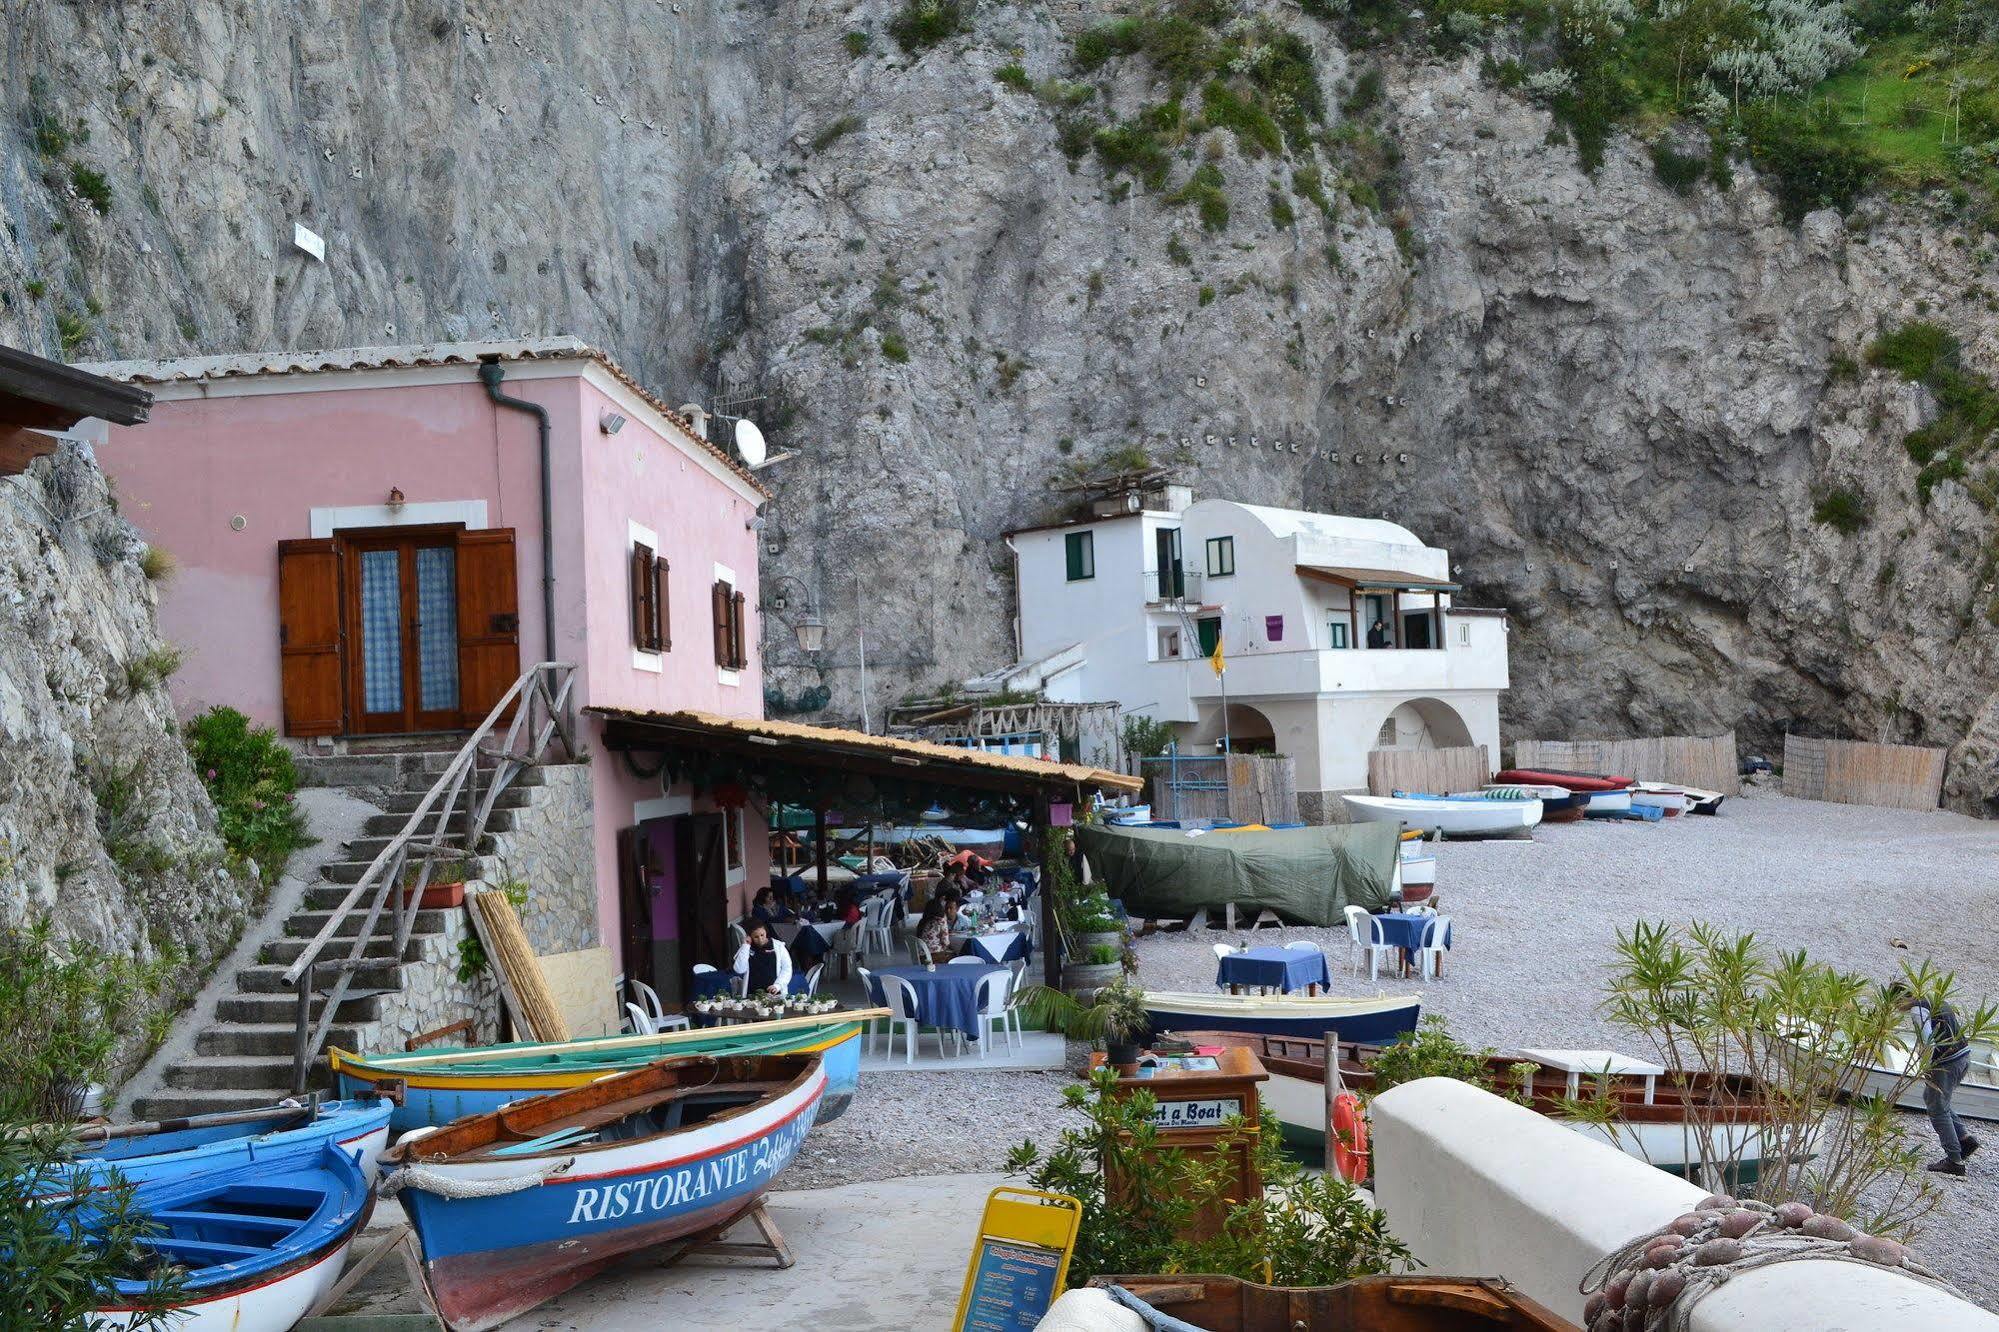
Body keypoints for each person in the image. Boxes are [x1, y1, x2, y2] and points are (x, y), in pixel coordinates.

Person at [1890, 982, 1979, 1175]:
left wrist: (1924, 1068)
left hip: (1946, 1063)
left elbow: (1928, 1042)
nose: (1898, 1010)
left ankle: (1955, 1161)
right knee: (1933, 1098)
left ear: (1901, 999)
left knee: (1937, 1108)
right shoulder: (1934, 998)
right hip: (1963, 1056)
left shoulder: (1918, 1010)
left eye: (1896, 1005)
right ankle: (1964, 1140)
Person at [733, 921, 793, 996]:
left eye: (762, 935)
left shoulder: (778, 946)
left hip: (774, 992)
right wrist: (745, 946)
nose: (760, 939)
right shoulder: (747, 948)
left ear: (766, 933)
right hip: (752, 994)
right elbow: (739, 969)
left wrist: (778, 985)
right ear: (750, 936)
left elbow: (787, 968)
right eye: (756, 937)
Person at [914, 897, 954, 962]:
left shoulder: (922, 922)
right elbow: (946, 942)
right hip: (935, 956)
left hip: (921, 956)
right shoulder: (940, 921)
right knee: (956, 954)